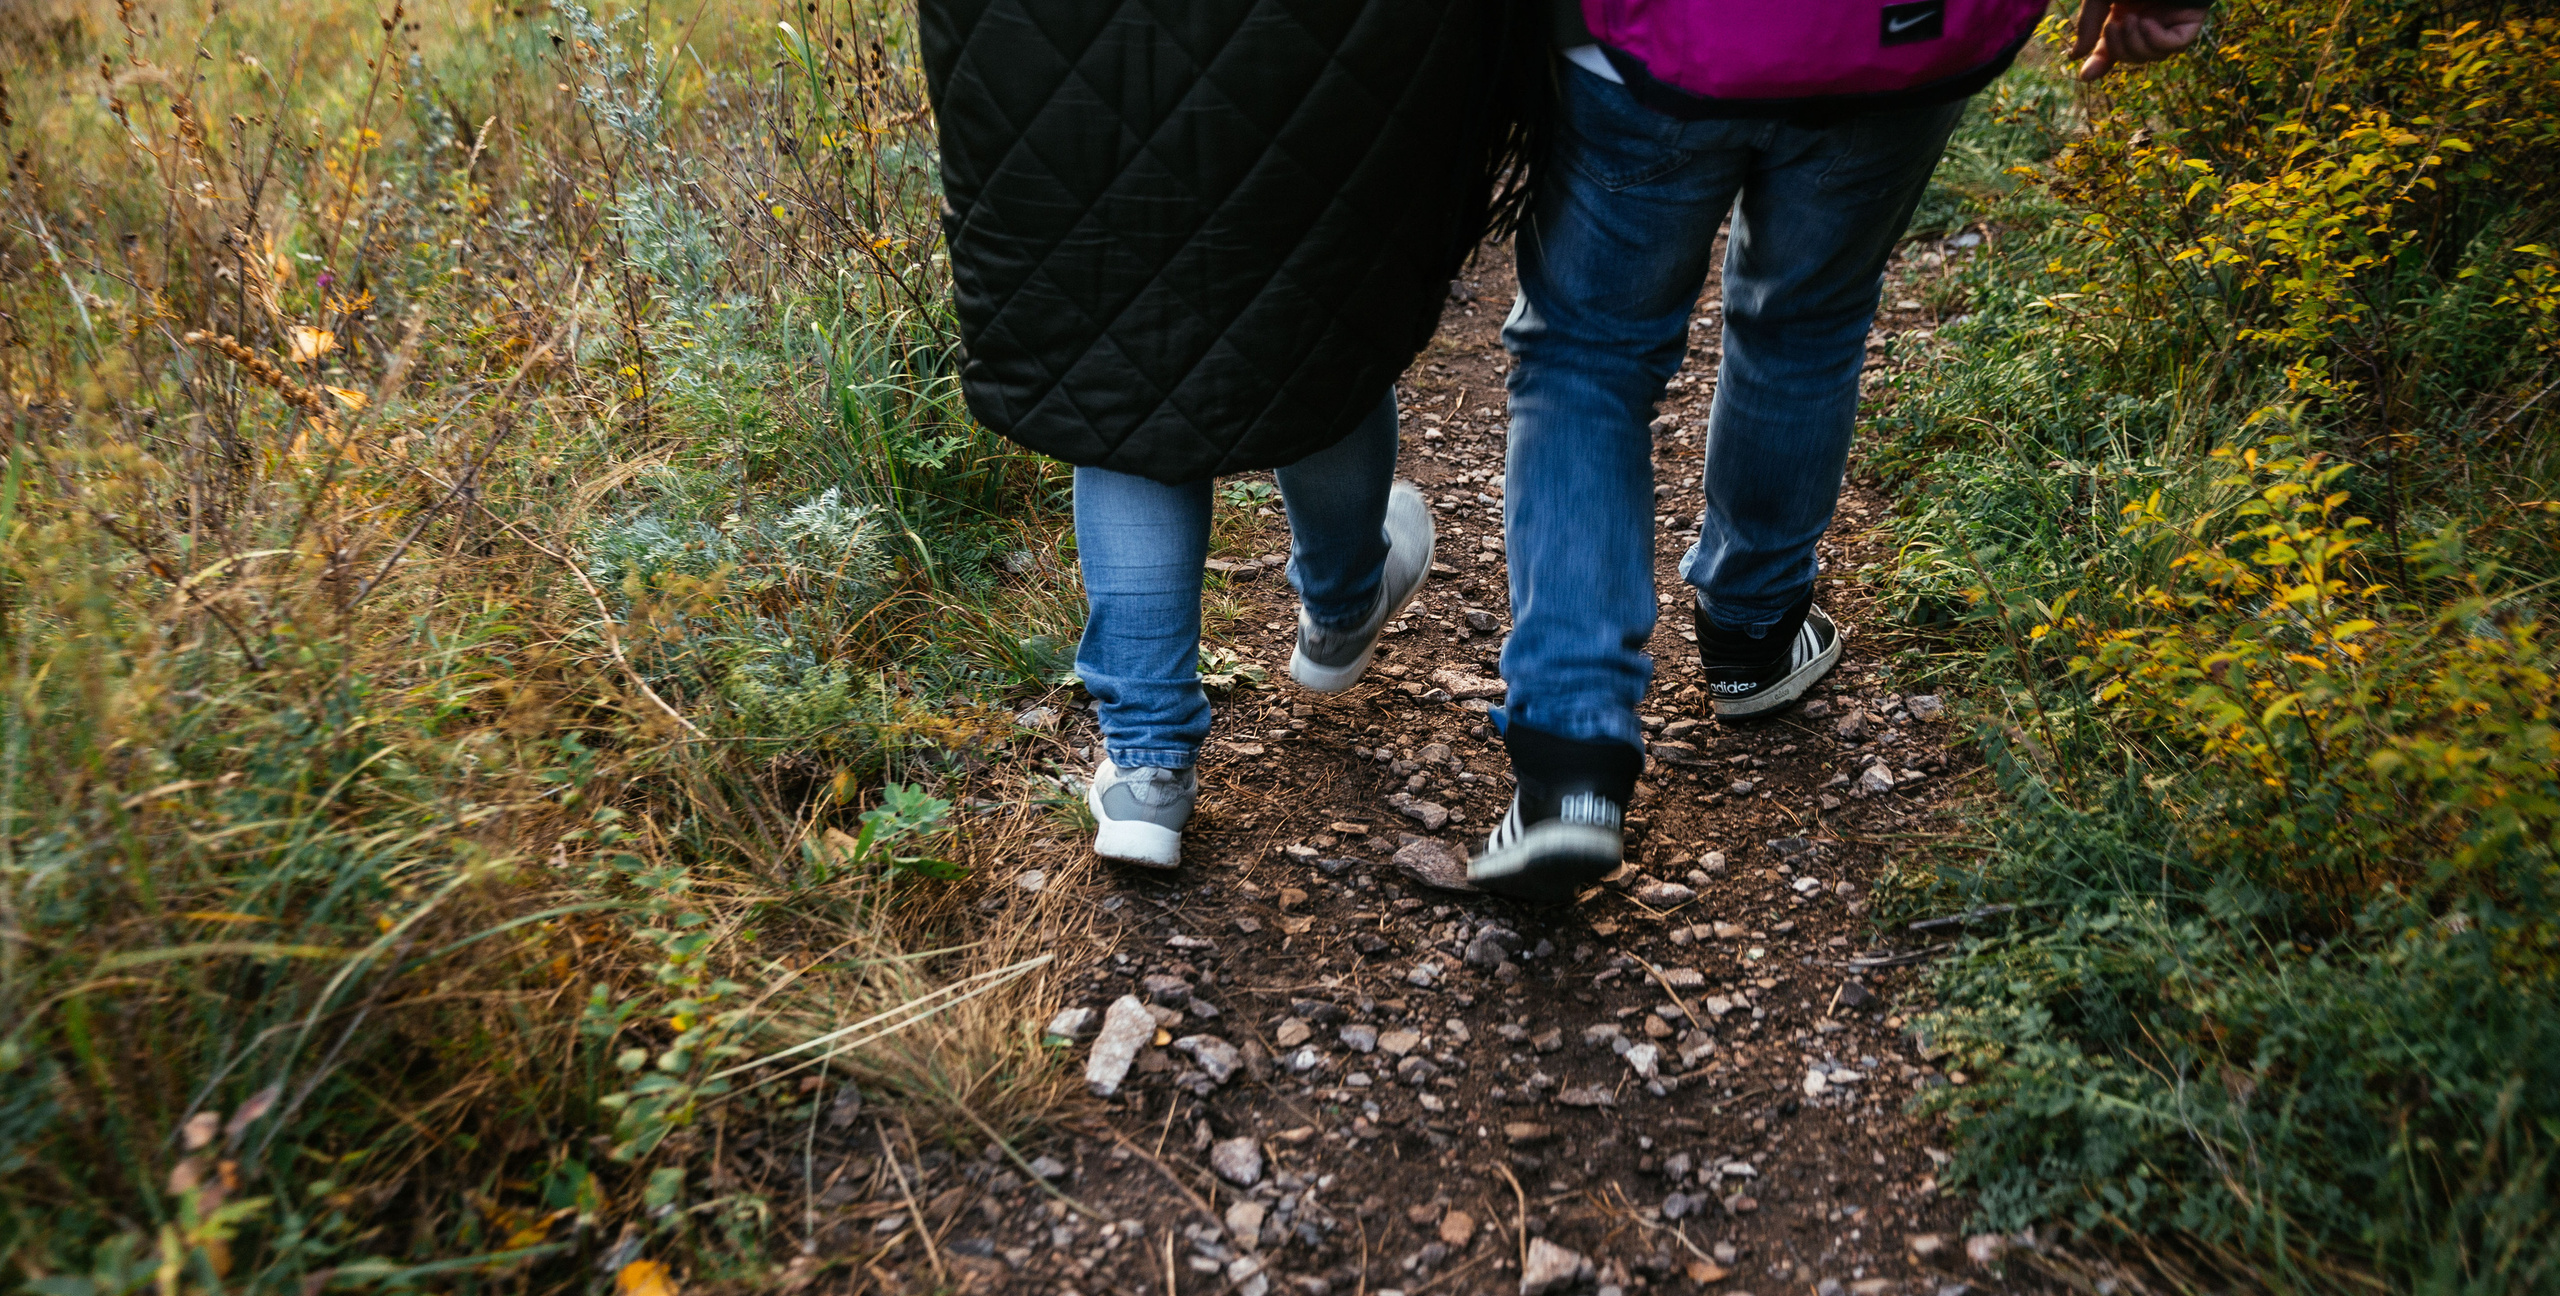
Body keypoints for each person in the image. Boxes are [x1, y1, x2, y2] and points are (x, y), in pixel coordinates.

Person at [1465, 0, 2207, 899]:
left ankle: (1572, 760)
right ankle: (1755, 630)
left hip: (1643, 38)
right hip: (1897, 33)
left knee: (1586, 355)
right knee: (1806, 320)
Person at [918, 0, 1542, 867]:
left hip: (1051, 55)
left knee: (1119, 380)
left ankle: (1147, 772)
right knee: (1316, 325)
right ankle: (1341, 603)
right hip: (1301, 49)